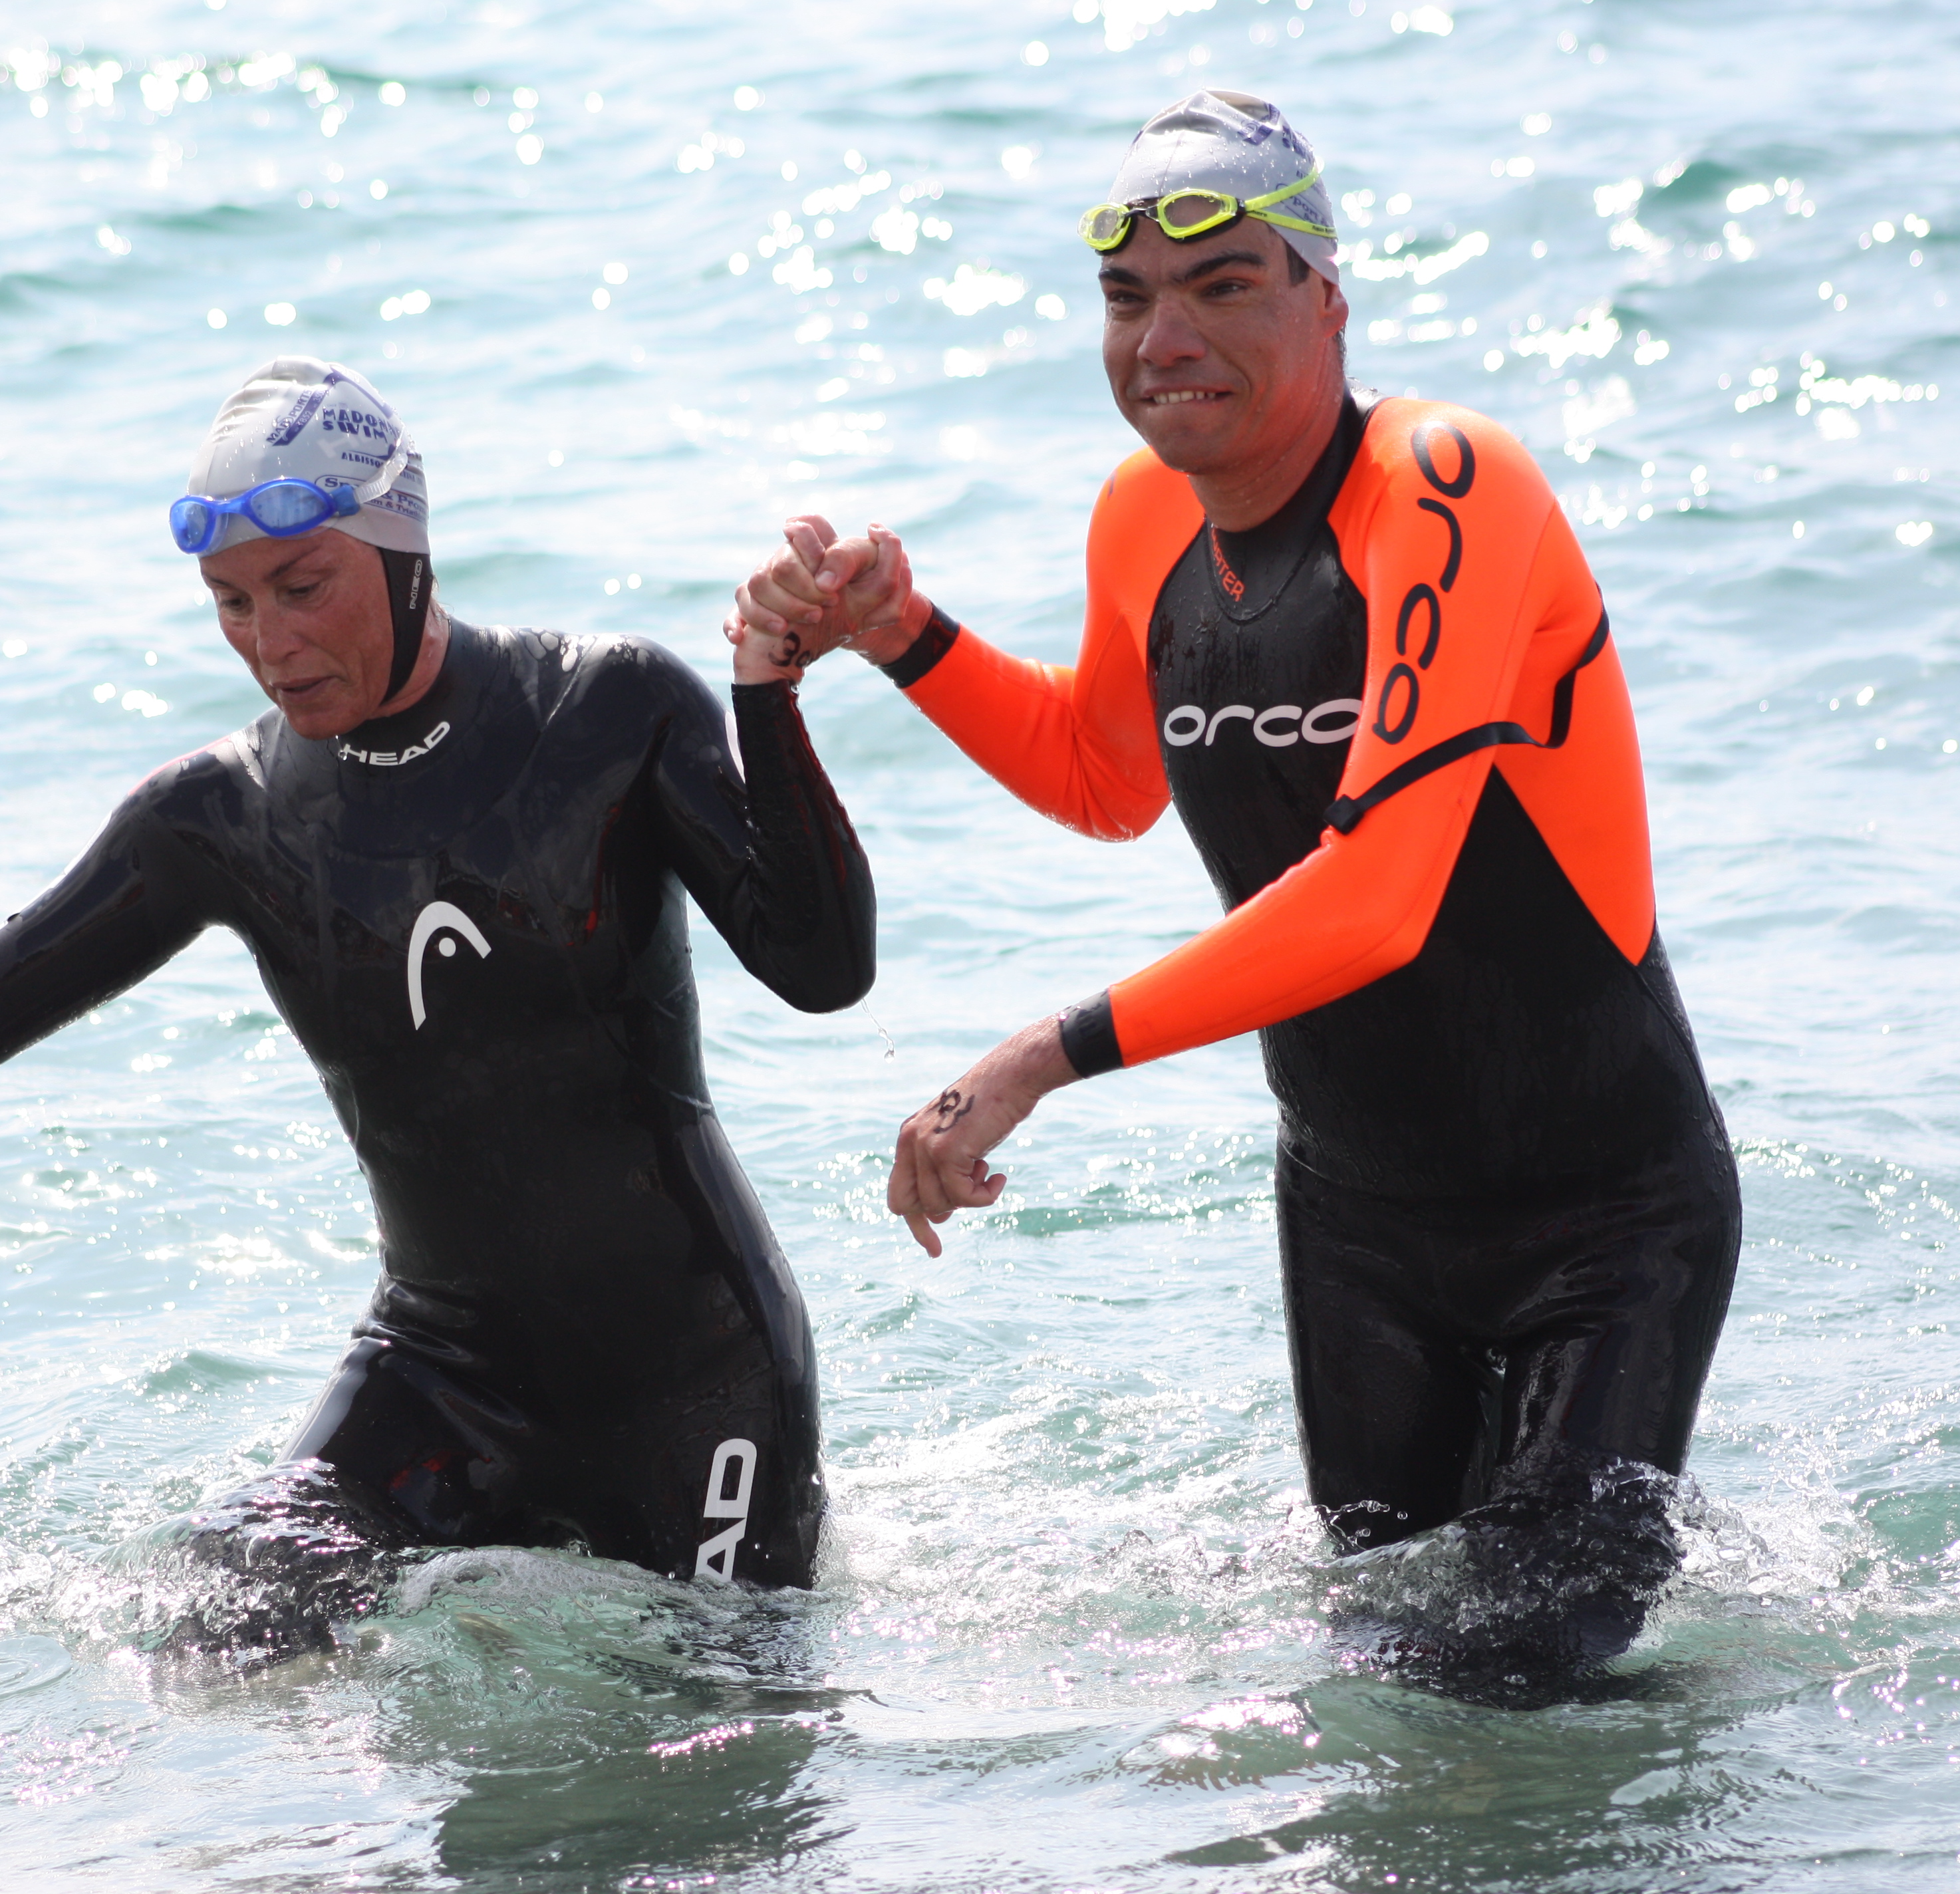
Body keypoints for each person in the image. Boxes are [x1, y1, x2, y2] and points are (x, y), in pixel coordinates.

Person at [0, 357, 877, 1653]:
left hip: (692, 1383)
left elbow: (823, 969)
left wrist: (769, 694)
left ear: (404, 553)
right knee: (204, 1630)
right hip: (443, 1376)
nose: (269, 639)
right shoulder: (225, 818)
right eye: (234, 603)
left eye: (304, 585)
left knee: (702, 1785)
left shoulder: (604, 711)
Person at [732, 92, 1737, 1684]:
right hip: (1357, 1220)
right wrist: (902, 636)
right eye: (1127, 299)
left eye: (1221, 285)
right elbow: (1102, 774)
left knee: (1530, 1675)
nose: (1163, 337)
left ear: (1326, 299)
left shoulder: (1446, 484)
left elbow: (1381, 894)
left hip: (1600, 1216)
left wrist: (1033, 1059)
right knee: (1387, 1684)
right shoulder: (1145, 518)